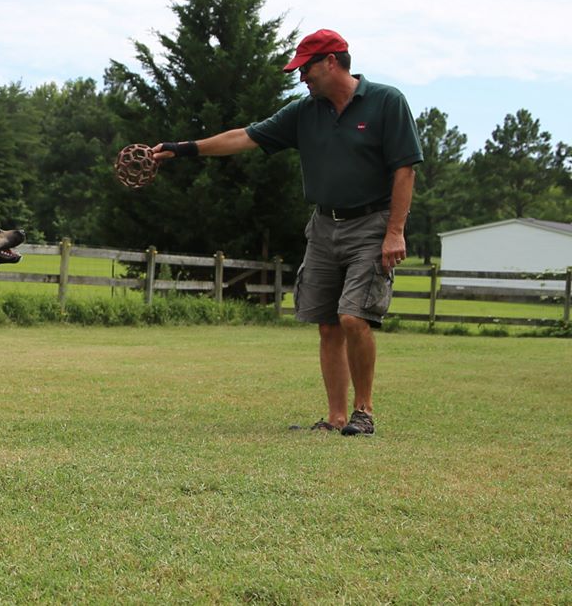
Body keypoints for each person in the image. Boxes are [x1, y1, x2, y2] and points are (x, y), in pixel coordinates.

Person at [152, 29, 422, 436]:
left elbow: (405, 169)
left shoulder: (387, 102)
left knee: (353, 317)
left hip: (372, 224)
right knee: (328, 323)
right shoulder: (304, 112)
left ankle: (363, 412)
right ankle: (335, 418)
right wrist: (185, 148)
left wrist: (395, 232)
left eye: (306, 68)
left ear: (332, 61)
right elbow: (245, 136)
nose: (302, 78)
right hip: (324, 224)